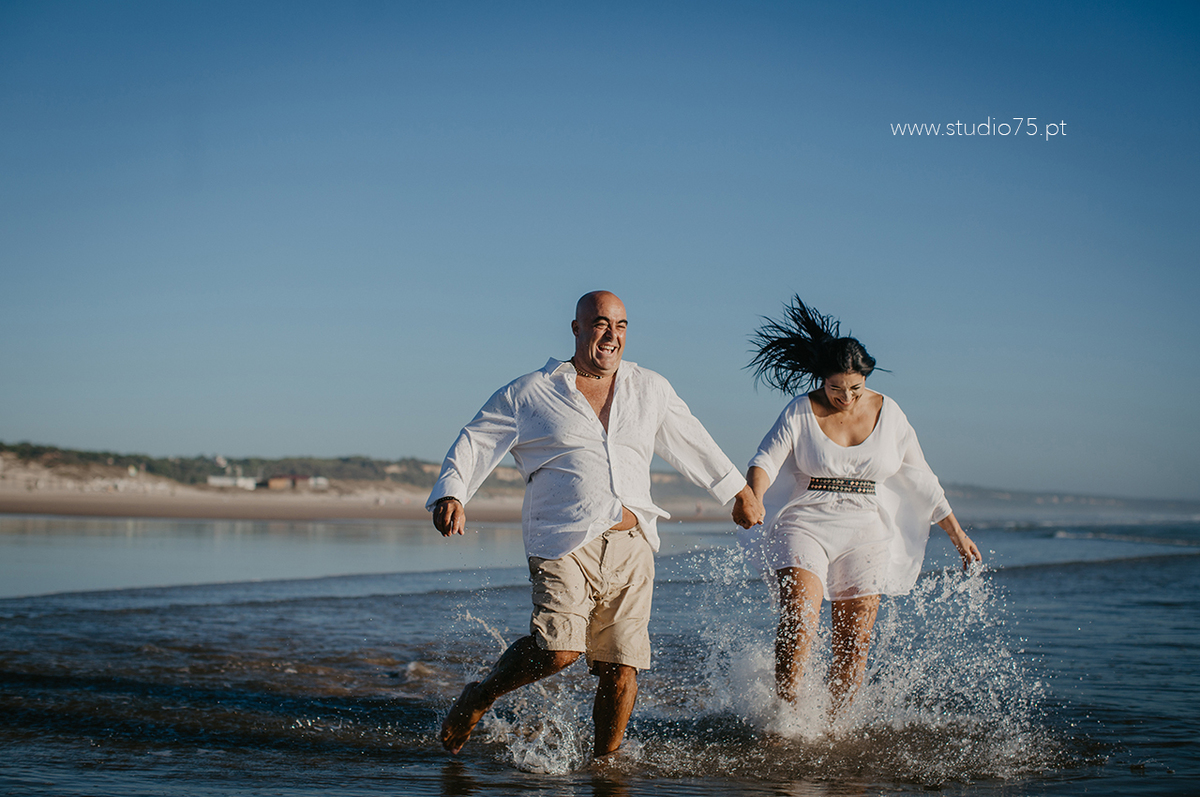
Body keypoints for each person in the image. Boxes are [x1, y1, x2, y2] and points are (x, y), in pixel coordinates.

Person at [430, 290, 756, 758]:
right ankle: (480, 696)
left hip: (632, 543)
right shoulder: (532, 392)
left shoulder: (650, 387)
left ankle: (606, 768)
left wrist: (736, 491)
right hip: (563, 540)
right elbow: (477, 439)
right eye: (601, 323)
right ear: (577, 328)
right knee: (558, 651)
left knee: (622, 666)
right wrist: (452, 491)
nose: (612, 334)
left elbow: (692, 440)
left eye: (621, 325)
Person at [732, 296, 981, 713]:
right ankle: (786, 719)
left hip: (866, 528)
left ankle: (835, 725)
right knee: (799, 621)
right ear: (821, 379)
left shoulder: (890, 413)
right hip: (805, 521)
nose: (846, 397)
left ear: (866, 379)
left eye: (855, 388)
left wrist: (956, 533)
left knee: (855, 640)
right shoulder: (800, 410)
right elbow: (764, 461)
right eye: (835, 388)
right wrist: (753, 496)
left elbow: (920, 476)